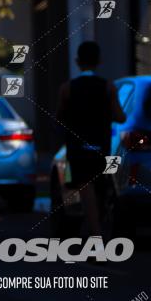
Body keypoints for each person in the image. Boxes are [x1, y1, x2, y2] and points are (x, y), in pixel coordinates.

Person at [57, 41, 126, 235]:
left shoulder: (67, 88)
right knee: (100, 191)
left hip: (78, 149)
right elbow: (121, 117)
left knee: (86, 191)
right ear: (99, 61)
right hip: (100, 148)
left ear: (77, 61)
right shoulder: (108, 87)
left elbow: (59, 118)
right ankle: (95, 233)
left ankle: (94, 234)